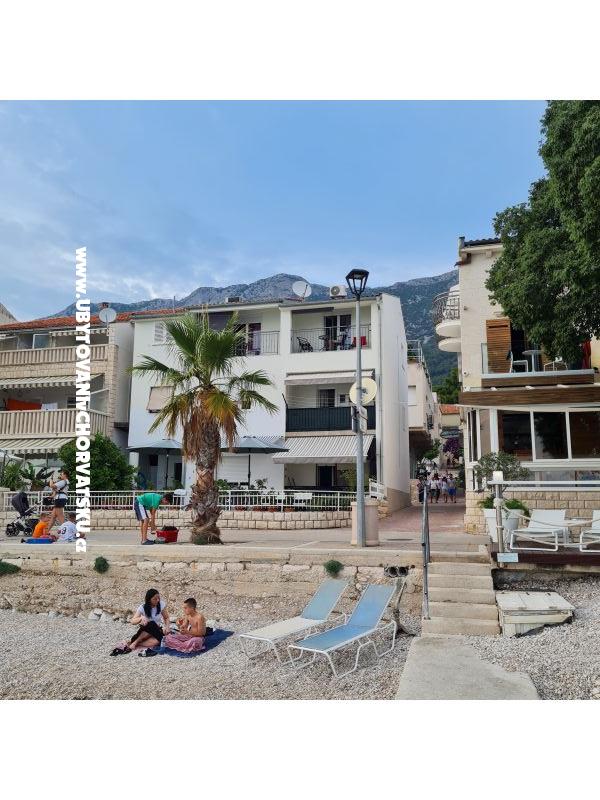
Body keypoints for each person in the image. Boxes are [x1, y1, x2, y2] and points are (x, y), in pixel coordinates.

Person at [110, 589, 170, 656]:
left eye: (158, 598)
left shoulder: (161, 604)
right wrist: (141, 618)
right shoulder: (142, 607)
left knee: (158, 641)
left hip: (157, 630)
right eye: (155, 599)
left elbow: (166, 618)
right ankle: (135, 642)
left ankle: (136, 643)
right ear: (149, 599)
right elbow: (132, 621)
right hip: (145, 630)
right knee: (151, 623)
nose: (158, 600)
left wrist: (167, 627)